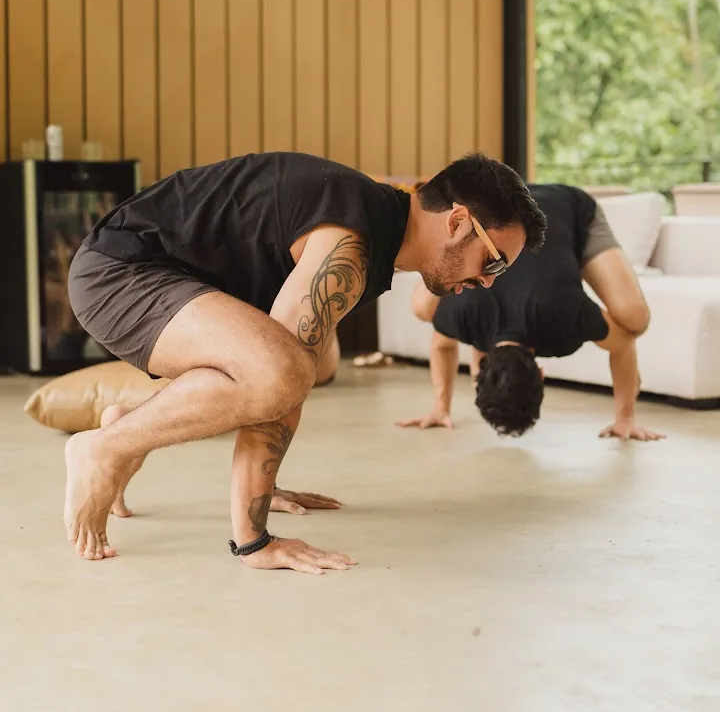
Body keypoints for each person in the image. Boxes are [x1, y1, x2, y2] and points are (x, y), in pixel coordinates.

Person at [65, 151, 546, 571]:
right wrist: (253, 541)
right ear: (458, 221)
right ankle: (105, 448)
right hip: (119, 273)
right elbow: (283, 374)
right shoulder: (353, 241)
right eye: (494, 262)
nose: (489, 282)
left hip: (173, 282)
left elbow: (287, 369)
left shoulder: (375, 229)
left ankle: (125, 425)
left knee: (291, 366)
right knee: (284, 370)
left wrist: (261, 488)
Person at [398, 183, 663, 442]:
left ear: (541, 374)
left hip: (567, 207)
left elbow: (623, 344)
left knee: (635, 320)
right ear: (478, 367)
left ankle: (567, 252)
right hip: (511, 200)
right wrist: (440, 408)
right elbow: (443, 344)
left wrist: (625, 418)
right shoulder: (464, 316)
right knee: (424, 308)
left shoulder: (564, 317)